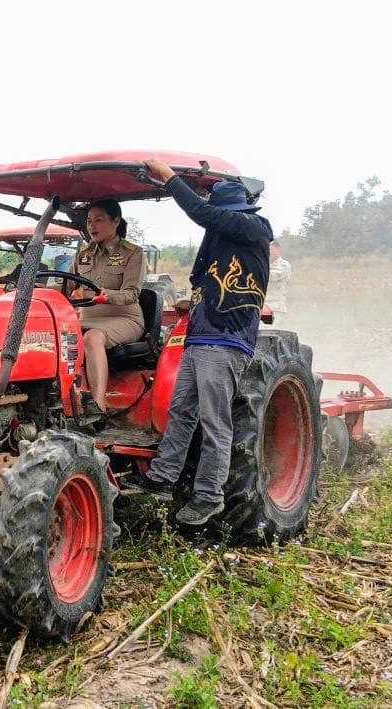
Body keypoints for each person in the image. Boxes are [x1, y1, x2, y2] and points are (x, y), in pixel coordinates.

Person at [137, 159, 273, 526]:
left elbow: (202, 213)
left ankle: (209, 496)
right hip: (200, 335)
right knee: (181, 410)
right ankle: (162, 478)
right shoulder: (223, 239)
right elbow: (207, 277)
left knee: (215, 422)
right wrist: (192, 301)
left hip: (226, 339)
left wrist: (170, 179)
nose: (215, 218)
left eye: (218, 212)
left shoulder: (253, 227)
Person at [66, 198, 145, 413]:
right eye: (89, 221)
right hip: (90, 318)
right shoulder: (83, 254)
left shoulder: (132, 253)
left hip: (124, 319)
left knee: (92, 338)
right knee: (52, 335)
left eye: (98, 220)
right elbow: (66, 285)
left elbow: (132, 293)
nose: (92, 226)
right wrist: (35, 289)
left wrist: (108, 295)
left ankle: (98, 408)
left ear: (116, 221)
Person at [265, 242, 291, 321]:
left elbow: (273, 276)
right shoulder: (266, 265)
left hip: (276, 307)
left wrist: (259, 272)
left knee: (274, 328)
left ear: (278, 249)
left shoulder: (284, 265)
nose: (269, 252)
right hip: (265, 306)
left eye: (271, 249)